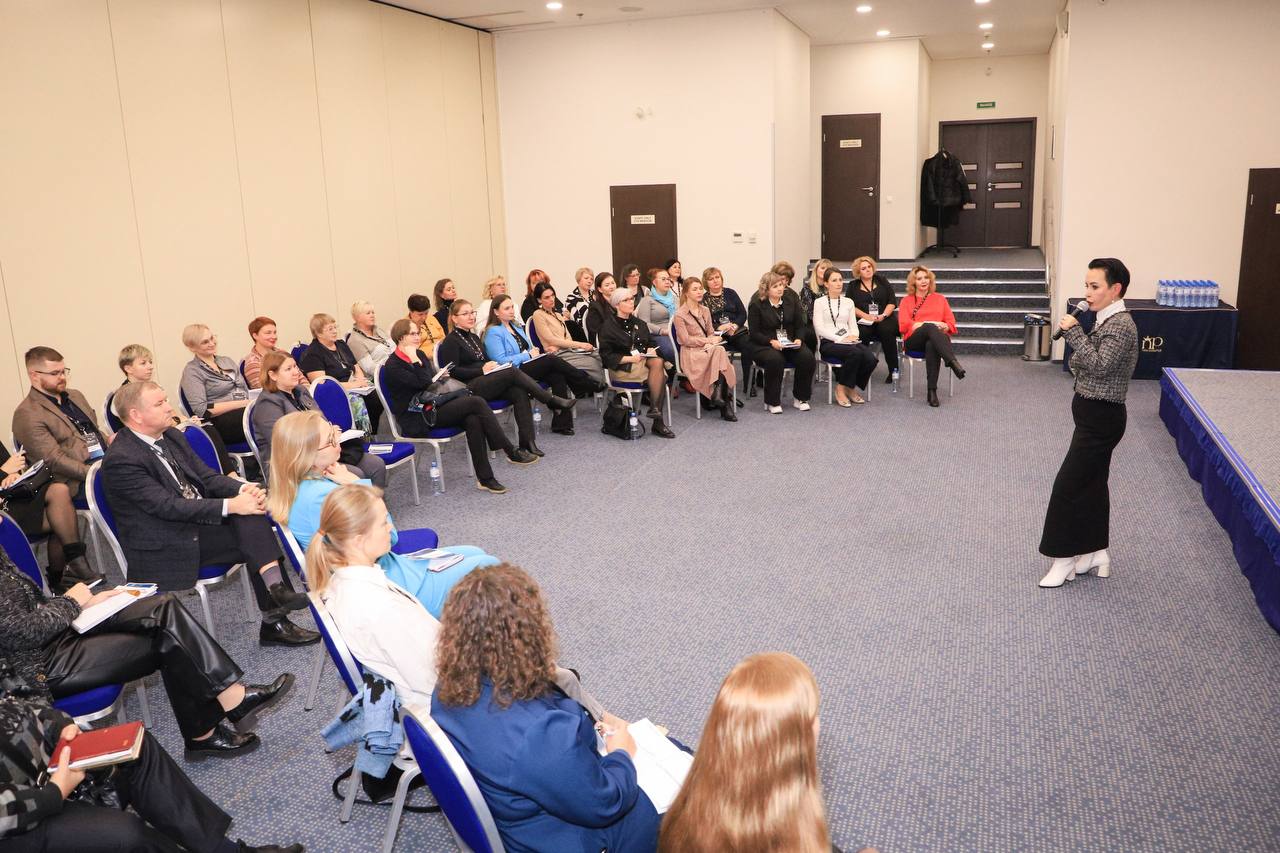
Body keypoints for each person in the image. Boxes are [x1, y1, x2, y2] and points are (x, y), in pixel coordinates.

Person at [432, 563, 660, 853]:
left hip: (515, 814)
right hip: (563, 838)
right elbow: (605, 803)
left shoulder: (447, 688)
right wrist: (621, 754)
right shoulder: (538, 733)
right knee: (689, 789)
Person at [0, 545, 294, 758]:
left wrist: (78, 602)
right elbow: (21, 632)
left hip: (57, 629)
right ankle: (214, 720)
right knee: (170, 638)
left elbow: (27, 607)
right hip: (38, 665)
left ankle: (217, 717)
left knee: (162, 606)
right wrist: (71, 603)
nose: (3, 510)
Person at [103, 381, 319, 647]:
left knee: (250, 513)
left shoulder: (171, 436)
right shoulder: (122, 458)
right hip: (166, 541)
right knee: (249, 523)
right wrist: (231, 505)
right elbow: (166, 506)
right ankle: (275, 610)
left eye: (166, 399)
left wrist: (243, 488)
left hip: (196, 521)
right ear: (136, 415)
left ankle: (277, 599)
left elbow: (207, 477)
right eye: (159, 404)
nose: (169, 407)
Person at [0, 692, 305, 852]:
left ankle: (223, 851)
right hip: (17, 823)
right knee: (127, 836)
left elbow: (22, 700)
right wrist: (54, 793)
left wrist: (57, 724)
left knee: (137, 747)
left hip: (46, 773)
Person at [268, 413, 496, 617]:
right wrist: (357, 484)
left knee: (474, 552)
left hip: (372, 572)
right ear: (307, 455)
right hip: (385, 586)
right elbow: (390, 539)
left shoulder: (301, 486)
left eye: (333, 432)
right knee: (488, 565)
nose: (338, 441)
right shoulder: (323, 495)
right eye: (330, 440)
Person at [660, 652, 868, 853]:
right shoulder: (799, 843)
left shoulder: (682, 815)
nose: (817, 724)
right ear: (789, 746)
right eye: (812, 717)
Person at [1038, 258, 1140, 589]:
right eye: (1086, 285)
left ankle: (1063, 558)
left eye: (1095, 286)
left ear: (1116, 289)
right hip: (1091, 414)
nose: (1087, 293)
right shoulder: (1104, 319)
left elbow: (1097, 366)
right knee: (1093, 485)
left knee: (1067, 487)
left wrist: (1074, 334)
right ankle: (1096, 552)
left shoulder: (1121, 326)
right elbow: (1083, 366)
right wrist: (1081, 347)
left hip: (1102, 420)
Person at [382, 319, 537, 495]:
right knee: (476, 402)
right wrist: (416, 361)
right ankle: (509, 449)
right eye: (413, 334)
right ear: (401, 338)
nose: (418, 337)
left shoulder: (419, 355)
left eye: (418, 333)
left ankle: (486, 478)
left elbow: (429, 382)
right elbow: (423, 383)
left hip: (433, 405)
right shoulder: (393, 365)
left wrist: (438, 376)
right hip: (417, 416)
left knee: (473, 419)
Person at [438, 299, 575, 457]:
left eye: (472, 312)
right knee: (511, 371)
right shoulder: (450, 341)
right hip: (469, 387)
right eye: (465, 314)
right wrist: (481, 370)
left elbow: (483, 360)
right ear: (454, 318)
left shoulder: (473, 337)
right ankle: (549, 399)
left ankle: (528, 443)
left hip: (486, 380)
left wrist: (491, 365)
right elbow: (453, 372)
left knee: (518, 391)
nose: (471, 316)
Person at [252, 351, 386, 485]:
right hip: (295, 465)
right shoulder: (267, 404)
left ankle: (374, 499)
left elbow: (322, 420)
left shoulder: (300, 391)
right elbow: (286, 445)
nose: (296, 372)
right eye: (288, 369)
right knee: (356, 475)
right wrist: (324, 438)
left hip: (323, 451)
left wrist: (331, 431)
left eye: (295, 366)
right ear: (273, 375)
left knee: (376, 465)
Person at [484, 295, 602, 436]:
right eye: (507, 308)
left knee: (557, 375)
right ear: (496, 312)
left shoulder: (515, 326)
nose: (511, 311)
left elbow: (529, 347)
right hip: (512, 372)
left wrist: (535, 352)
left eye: (512, 307)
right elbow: (501, 360)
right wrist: (528, 355)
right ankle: (582, 382)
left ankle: (562, 424)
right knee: (551, 360)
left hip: (527, 365)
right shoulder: (493, 332)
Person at [12, 346, 111, 502]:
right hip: (75, 481)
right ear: (34, 375)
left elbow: (93, 431)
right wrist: (95, 473)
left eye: (63, 371)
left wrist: (112, 444)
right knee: (134, 486)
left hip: (104, 462)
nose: (62, 377)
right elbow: (54, 461)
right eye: (54, 373)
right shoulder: (27, 413)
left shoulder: (75, 396)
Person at [119, 344, 234, 474]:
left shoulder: (154, 387)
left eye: (150, 362)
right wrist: (179, 422)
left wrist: (187, 421)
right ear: (128, 368)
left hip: (168, 428)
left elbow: (172, 413)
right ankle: (213, 476)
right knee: (193, 435)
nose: (150, 366)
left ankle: (230, 474)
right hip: (153, 438)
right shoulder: (124, 397)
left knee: (205, 427)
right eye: (143, 363)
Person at [0, 441, 97, 593]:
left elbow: (11, 466)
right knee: (60, 519)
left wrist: (11, 475)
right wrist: (3, 471)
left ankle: (70, 567)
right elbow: (5, 467)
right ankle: (62, 575)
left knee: (59, 491)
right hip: (4, 511)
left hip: (10, 497)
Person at [598, 288, 677, 439]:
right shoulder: (608, 326)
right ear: (617, 305)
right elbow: (606, 356)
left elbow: (651, 343)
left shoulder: (639, 323)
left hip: (643, 363)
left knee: (657, 361)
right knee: (660, 373)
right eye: (626, 300)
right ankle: (658, 421)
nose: (631, 302)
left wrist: (651, 349)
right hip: (623, 367)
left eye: (632, 299)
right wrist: (630, 359)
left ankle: (655, 411)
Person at [300, 312, 383, 435]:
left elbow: (356, 367)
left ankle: (371, 434)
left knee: (376, 395)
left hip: (353, 384)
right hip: (335, 391)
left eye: (335, 327)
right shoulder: (312, 353)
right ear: (318, 333)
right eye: (330, 329)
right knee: (360, 402)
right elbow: (321, 384)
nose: (335, 331)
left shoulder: (341, 344)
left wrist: (361, 381)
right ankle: (361, 437)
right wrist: (354, 385)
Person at [748, 271, 816, 414]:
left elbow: (800, 325)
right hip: (764, 344)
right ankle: (773, 401)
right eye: (775, 286)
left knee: (807, 357)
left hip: (788, 342)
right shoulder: (756, 305)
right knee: (775, 359)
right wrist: (771, 341)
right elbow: (754, 333)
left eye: (781, 285)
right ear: (766, 289)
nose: (780, 288)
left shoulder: (791, 301)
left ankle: (801, 398)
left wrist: (799, 339)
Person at [897, 265, 964, 408]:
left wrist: (945, 326)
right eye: (919, 278)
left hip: (936, 341)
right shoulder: (906, 301)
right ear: (913, 282)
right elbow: (903, 326)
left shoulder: (940, 299)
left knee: (932, 344)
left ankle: (932, 391)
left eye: (926, 277)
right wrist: (922, 325)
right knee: (929, 327)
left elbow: (951, 324)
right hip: (914, 340)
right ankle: (952, 361)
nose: (923, 281)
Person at [673, 277, 737, 421]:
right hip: (691, 353)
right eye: (695, 289)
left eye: (700, 288)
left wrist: (715, 339)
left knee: (719, 350)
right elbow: (685, 340)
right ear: (686, 293)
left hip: (708, 349)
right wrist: (707, 341)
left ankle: (719, 396)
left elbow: (710, 332)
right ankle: (724, 402)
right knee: (720, 354)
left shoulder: (705, 310)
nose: (699, 292)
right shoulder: (679, 315)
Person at [813, 267, 877, 407]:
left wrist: (854, 336)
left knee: (871, 359)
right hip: (829, 342)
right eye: (834, 280)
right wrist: (839, 339)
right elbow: (819, 328)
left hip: (848, 341)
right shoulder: (819, 302)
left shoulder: (848, 302)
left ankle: (847, 386)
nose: (838, 283)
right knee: (856, 354)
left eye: (840, 280)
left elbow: (853, 326)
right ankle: (843, 389)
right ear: (826, 284)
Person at [179, 324, 252, 446]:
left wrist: (247, 403)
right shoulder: (192, 371)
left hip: (244, 410)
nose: (212, 343)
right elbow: (202, 409)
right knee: (261, 413)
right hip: (219, 421)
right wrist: (240, 404)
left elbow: (244, 389)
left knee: (270, 405)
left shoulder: (226, 361)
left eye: (212, 338)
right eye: (205, 342)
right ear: (192, 347)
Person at [527, 282, 606, 386]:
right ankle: (601, 389)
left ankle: (610, 386)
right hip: (557, 355)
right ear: (539, 300)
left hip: (567, 350)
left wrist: (571, 346)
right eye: (546, 297)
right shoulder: (538, 314)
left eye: (552, 295)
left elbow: (568, 338)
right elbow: (551, 339)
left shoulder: (558, 315)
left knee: (600, 354)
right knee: (593, 363)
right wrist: (580, 345)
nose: (551, 299)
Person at [847, 256, 900, 382]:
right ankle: (861, 369)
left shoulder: (882, 280)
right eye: (863, 268)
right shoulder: (853, 285)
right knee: (862, 333)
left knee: (886, 331)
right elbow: (850, 305)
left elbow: (892, 301)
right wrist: (866, 316)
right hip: (864, 319)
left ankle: (894, 370)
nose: (868, 270)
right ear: (858, 272)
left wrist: (883, 315)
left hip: (885, 317)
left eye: (869, 267)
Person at [702, 266, 754, 392]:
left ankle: (749, 385)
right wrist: (719, 327)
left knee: (748, 346)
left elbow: (742, 314)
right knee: (715, 351)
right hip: (717, 334)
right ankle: (720, 388)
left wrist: (734, 325)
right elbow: (704, 321)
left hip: (736, 332)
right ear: (706, 282)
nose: (715, 280)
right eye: (711, 279)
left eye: (717, 277)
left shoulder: (731, 293)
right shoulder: (703, 299)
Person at [241, 316, 298, 390]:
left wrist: (306, 392)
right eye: (268, 333)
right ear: (255, 336)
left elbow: (301, 377)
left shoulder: (283, 353)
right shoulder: (252, 363)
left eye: (275, 332)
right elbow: (266, 389)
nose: (274, 336)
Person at [636, 268, 678, 364]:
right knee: (671, 350)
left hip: (677, 332)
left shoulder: (675, 299)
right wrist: (662, 331)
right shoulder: (647, 300)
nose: (667, 282)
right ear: (654, 282)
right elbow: (644, 323)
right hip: (658, 334)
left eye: (668, 279)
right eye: (663, 279)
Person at [345, 301, 396, 376]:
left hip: (397, 368)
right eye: (368, 313)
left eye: (373, 312)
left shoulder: (378, 330)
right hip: (381, 376)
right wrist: (395, 370)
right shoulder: (355, 341)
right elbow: (370, 369)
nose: (372, 315)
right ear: (357, 317)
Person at [584, 271, 618, 344]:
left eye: (613, 283)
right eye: (607, 285)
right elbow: (596, 331)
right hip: (606, 342)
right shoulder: (595, 307)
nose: (611, 287)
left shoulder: (620, 303)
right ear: (600, 289)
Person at [563, 266, 594, 342]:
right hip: (582, 334)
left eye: (591, 279)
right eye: (586, 278)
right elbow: (575, 319)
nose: (589, 281)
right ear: (579, 280)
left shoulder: (595, 294)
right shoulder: (571, 297)